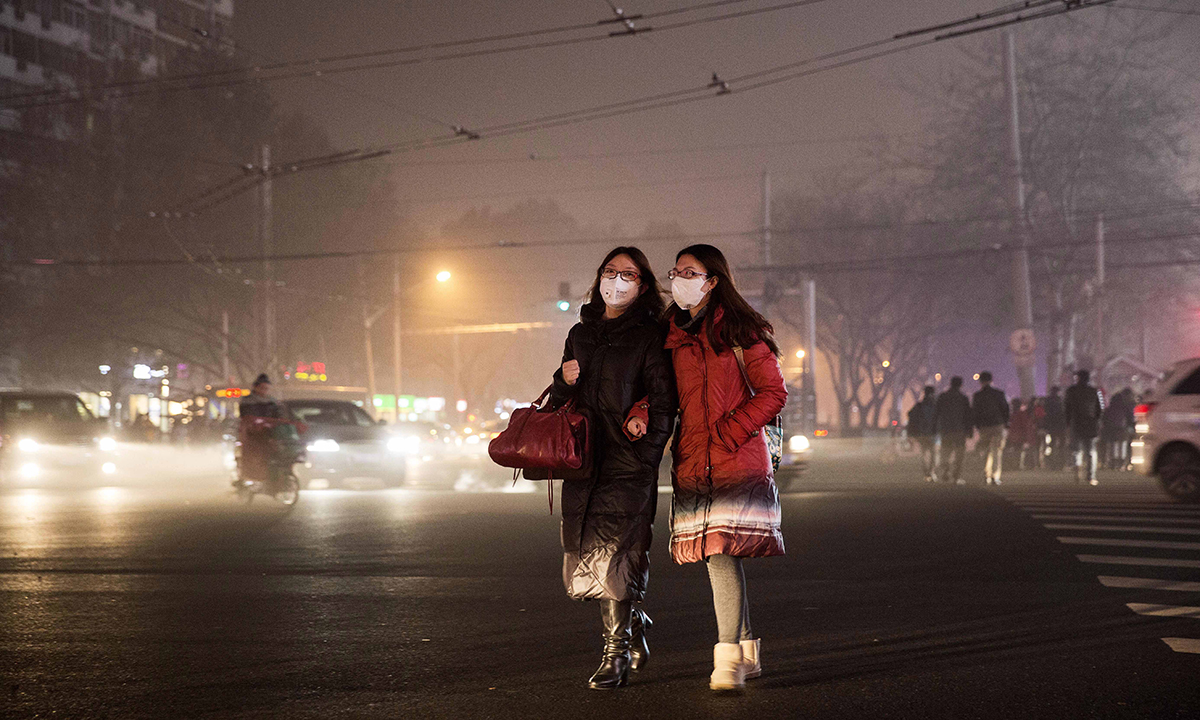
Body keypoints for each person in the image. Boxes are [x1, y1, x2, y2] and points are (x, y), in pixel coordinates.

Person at [548, 247, 676, 691]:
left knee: (616, 558)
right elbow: (563, 400)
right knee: (584, 558)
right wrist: (562, 381)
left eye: (628, 274)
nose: (617, 281)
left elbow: (664, 402)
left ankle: (614, 653)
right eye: (610, 271)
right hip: (583, 462)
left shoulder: (649, 336)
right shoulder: (579, 333)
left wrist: (646, 455)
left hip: (627, 464)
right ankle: (634, 618)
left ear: (642, 286)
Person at [661, 244, 787, 692]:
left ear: (712, 280)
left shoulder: (740, 330)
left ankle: (728, 658)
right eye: (675, 271)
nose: (678, 279)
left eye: (689, 271)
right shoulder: (671, 333)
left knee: (719, 552)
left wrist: (730, 432)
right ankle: (748, 651)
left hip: (736, 457)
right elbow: (661, 393)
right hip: (693, 461)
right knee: (721, 551)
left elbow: (773, 392)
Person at [1065, 369, 1105, 485]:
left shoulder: (1071, 391)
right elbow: (1100, 409)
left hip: (1076, 423)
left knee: (1076, 450)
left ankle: (1077, 473)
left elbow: (1067, 408)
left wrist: (1068, 423)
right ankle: (1090, 476)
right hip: (1090, 423)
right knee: (1091, 451)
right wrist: (1097, 422)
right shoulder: (1094, 391)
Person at [972, 372, 1010, 485]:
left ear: (980, 381)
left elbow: (975, 412)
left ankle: (986, 474)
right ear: (991, 380)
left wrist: (977, 425)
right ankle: (995, 476)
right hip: (998, 425)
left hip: (984, 426)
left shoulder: (978, 396)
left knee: (986, 450)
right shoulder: (999, 393)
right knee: (996, 451)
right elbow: (1005, 409)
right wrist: (1006, 423)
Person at [935, 377, 972, 485]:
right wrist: (969, 430)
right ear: (961, 385)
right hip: (960, 430)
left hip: (946, 429)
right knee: (959, 454)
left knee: (945, 452)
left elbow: (937, 413)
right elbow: (967, 415)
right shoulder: (963, 398)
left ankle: (945, 472)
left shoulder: (943, 397)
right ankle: (956, 476)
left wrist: (935, 427)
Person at [907, 386, 939, 482]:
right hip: (933, 433)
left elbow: (910, 414)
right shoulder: (936, 405)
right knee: (934, 454)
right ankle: (931, 472)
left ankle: (926, 473)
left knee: (924, 454)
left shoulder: (920, 405)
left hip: (922, 433)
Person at [1008, 398, 1036, 471]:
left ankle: (1015, 465)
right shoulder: (1022, 414)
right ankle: (1019, 465)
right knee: (1020, 451)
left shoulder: (1012, 414)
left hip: (1014, 435)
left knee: (1016, 450)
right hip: (1021, 435)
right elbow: (1025, 425)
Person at [1043, 386, 1067, 471]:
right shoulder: (1061, 401)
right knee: (1061, 445)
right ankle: (1061, 464)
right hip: (1061, 426)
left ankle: (1052, 464)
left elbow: (1046, 413)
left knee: (1052, 445)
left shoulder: (1048, 401)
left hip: (1051, 426)